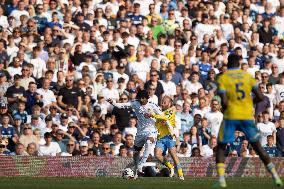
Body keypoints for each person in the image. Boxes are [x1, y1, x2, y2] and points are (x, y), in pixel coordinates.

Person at [215, 54, 283, 187]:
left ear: (228, 63)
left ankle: (222, 180)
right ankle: (276, 176)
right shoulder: (247, 76)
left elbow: (223, 100)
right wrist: (250, 103)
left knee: (221, 147)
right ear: (239, 64)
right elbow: (261, 96)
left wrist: (225, 108)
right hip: (246, 115)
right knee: (257, 146)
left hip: (231, 115)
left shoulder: (223, 78)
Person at [108, 90, 163, 179]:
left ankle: (141, 165)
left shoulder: (153, 105)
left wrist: (157, 118)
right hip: (140, 131)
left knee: (149, 142)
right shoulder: (135, 103)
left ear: (147, 98)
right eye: (139, 98)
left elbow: (162, 116)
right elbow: (123, 105)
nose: (141, 100)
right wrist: (113, 102)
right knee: (136, 152)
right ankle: (137, 169)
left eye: (143, 98)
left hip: (152, 130)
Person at [150, 96, 184, 180]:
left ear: (169, 103)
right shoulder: (159, 113)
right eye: (162, 101)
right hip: (161, 137)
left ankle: (180, 174)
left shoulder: (172, 109)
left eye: (165, 102)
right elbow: (157, 124)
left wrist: (153, 115)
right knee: (157, 155)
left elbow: (165, 117)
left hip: (169, 136)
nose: (162, 103)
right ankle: (170, 166)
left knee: (173, 155)